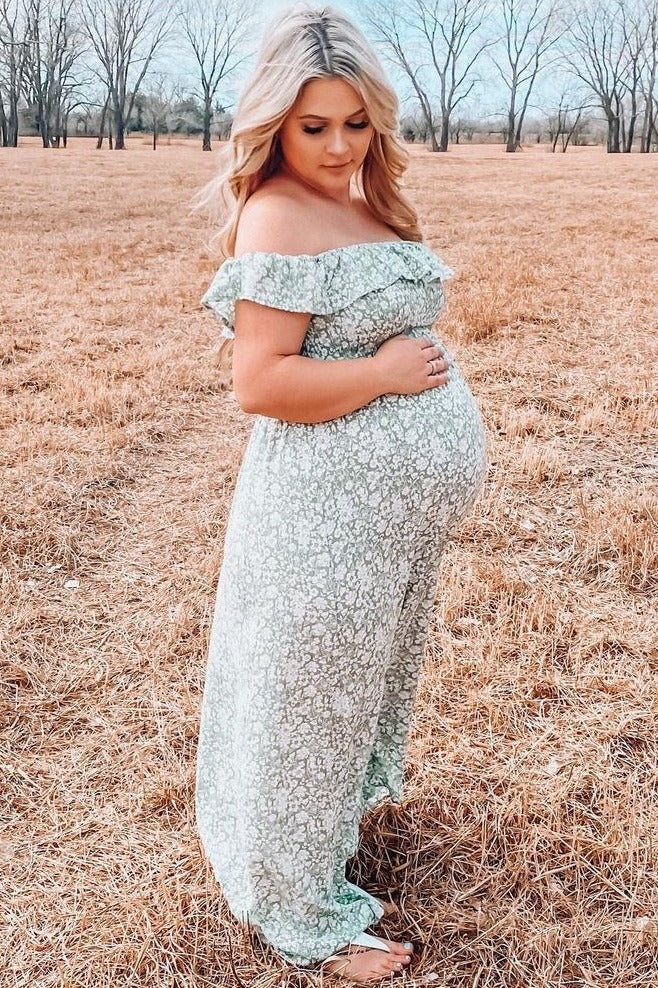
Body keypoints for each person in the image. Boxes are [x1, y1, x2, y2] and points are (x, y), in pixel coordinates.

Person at [194, 3, 488, 983]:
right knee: (305, 712)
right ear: (275, 121)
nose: (336, 145)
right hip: (321, 523)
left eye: (355, 123)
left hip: (381, 534)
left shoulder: (366, 201)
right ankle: (300, 916)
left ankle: (319, 847)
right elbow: (259, 382)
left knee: (343, 704)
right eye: (314, 125)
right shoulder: (277, 212)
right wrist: (384, 376)